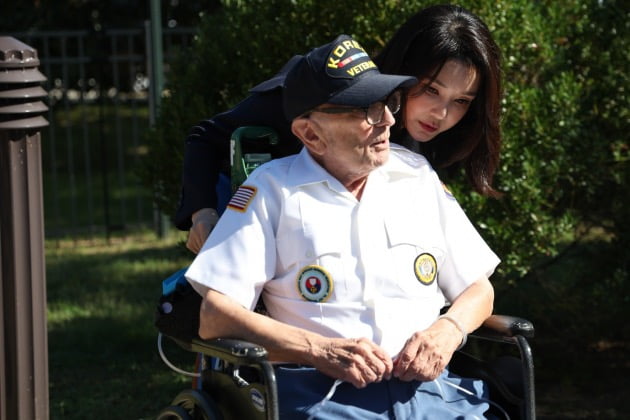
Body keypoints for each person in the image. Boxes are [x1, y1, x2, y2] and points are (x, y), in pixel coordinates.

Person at [185, 34, 498, 419]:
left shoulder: (417, 177)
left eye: (389, 103)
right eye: (365, 110)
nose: (387, 120)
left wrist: (448, 330)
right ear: (310, 134)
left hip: (434, 395)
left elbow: (478, 288)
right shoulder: (271, 191)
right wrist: (319, 350)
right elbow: (215, 316)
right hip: (324, 397)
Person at [175, 4, 503, 254]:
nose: (442, 114)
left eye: (461, 101)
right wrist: (202, 213)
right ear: (403, 70)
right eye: (431, 89)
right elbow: (207, 138)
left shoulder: (433, 140)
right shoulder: (316, 96)